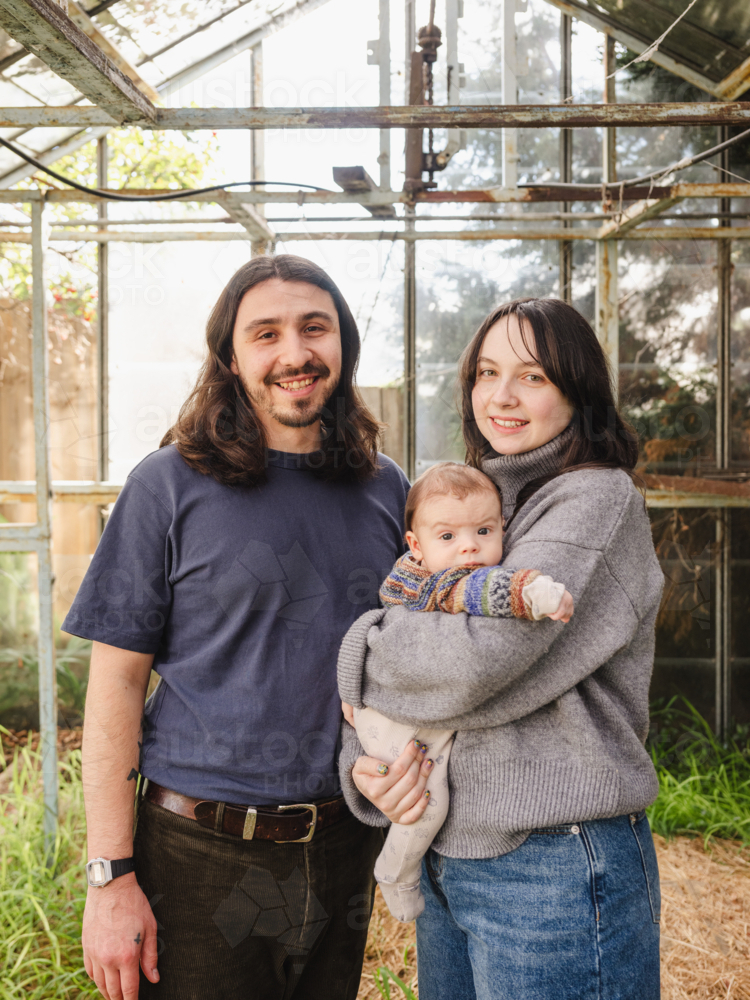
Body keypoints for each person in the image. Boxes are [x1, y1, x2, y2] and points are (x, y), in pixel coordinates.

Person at [62, 255, 412, 1000]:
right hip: (197, 855)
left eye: (314, 328)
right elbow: (117, 683)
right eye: (267, 334)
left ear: (342, 344)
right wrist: (110, 877)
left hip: (344, 845)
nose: (295, 353)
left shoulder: (386, 488)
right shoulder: (166, 485)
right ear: (231, 357)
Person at [337, 297, 665, 1000]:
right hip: (451, 855)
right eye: (486, 372)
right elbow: (417, 640)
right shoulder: (482, 502)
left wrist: (362, 642)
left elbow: (472, 665)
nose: (502, 396)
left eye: (534, 376)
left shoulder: (592, 500)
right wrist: (370, 768)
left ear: (578, 391)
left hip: (554, 861)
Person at [341, 461, 574, 921]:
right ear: (415, 545)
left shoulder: (428, 567)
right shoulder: (436, 581)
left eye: (484, 530)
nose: (469, 546)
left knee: (424, 797)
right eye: (448, 536)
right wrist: (538, 593)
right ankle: (395, 873)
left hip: (408, 710)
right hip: (398, 718)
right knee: (428, 802)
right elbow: (484, 591)